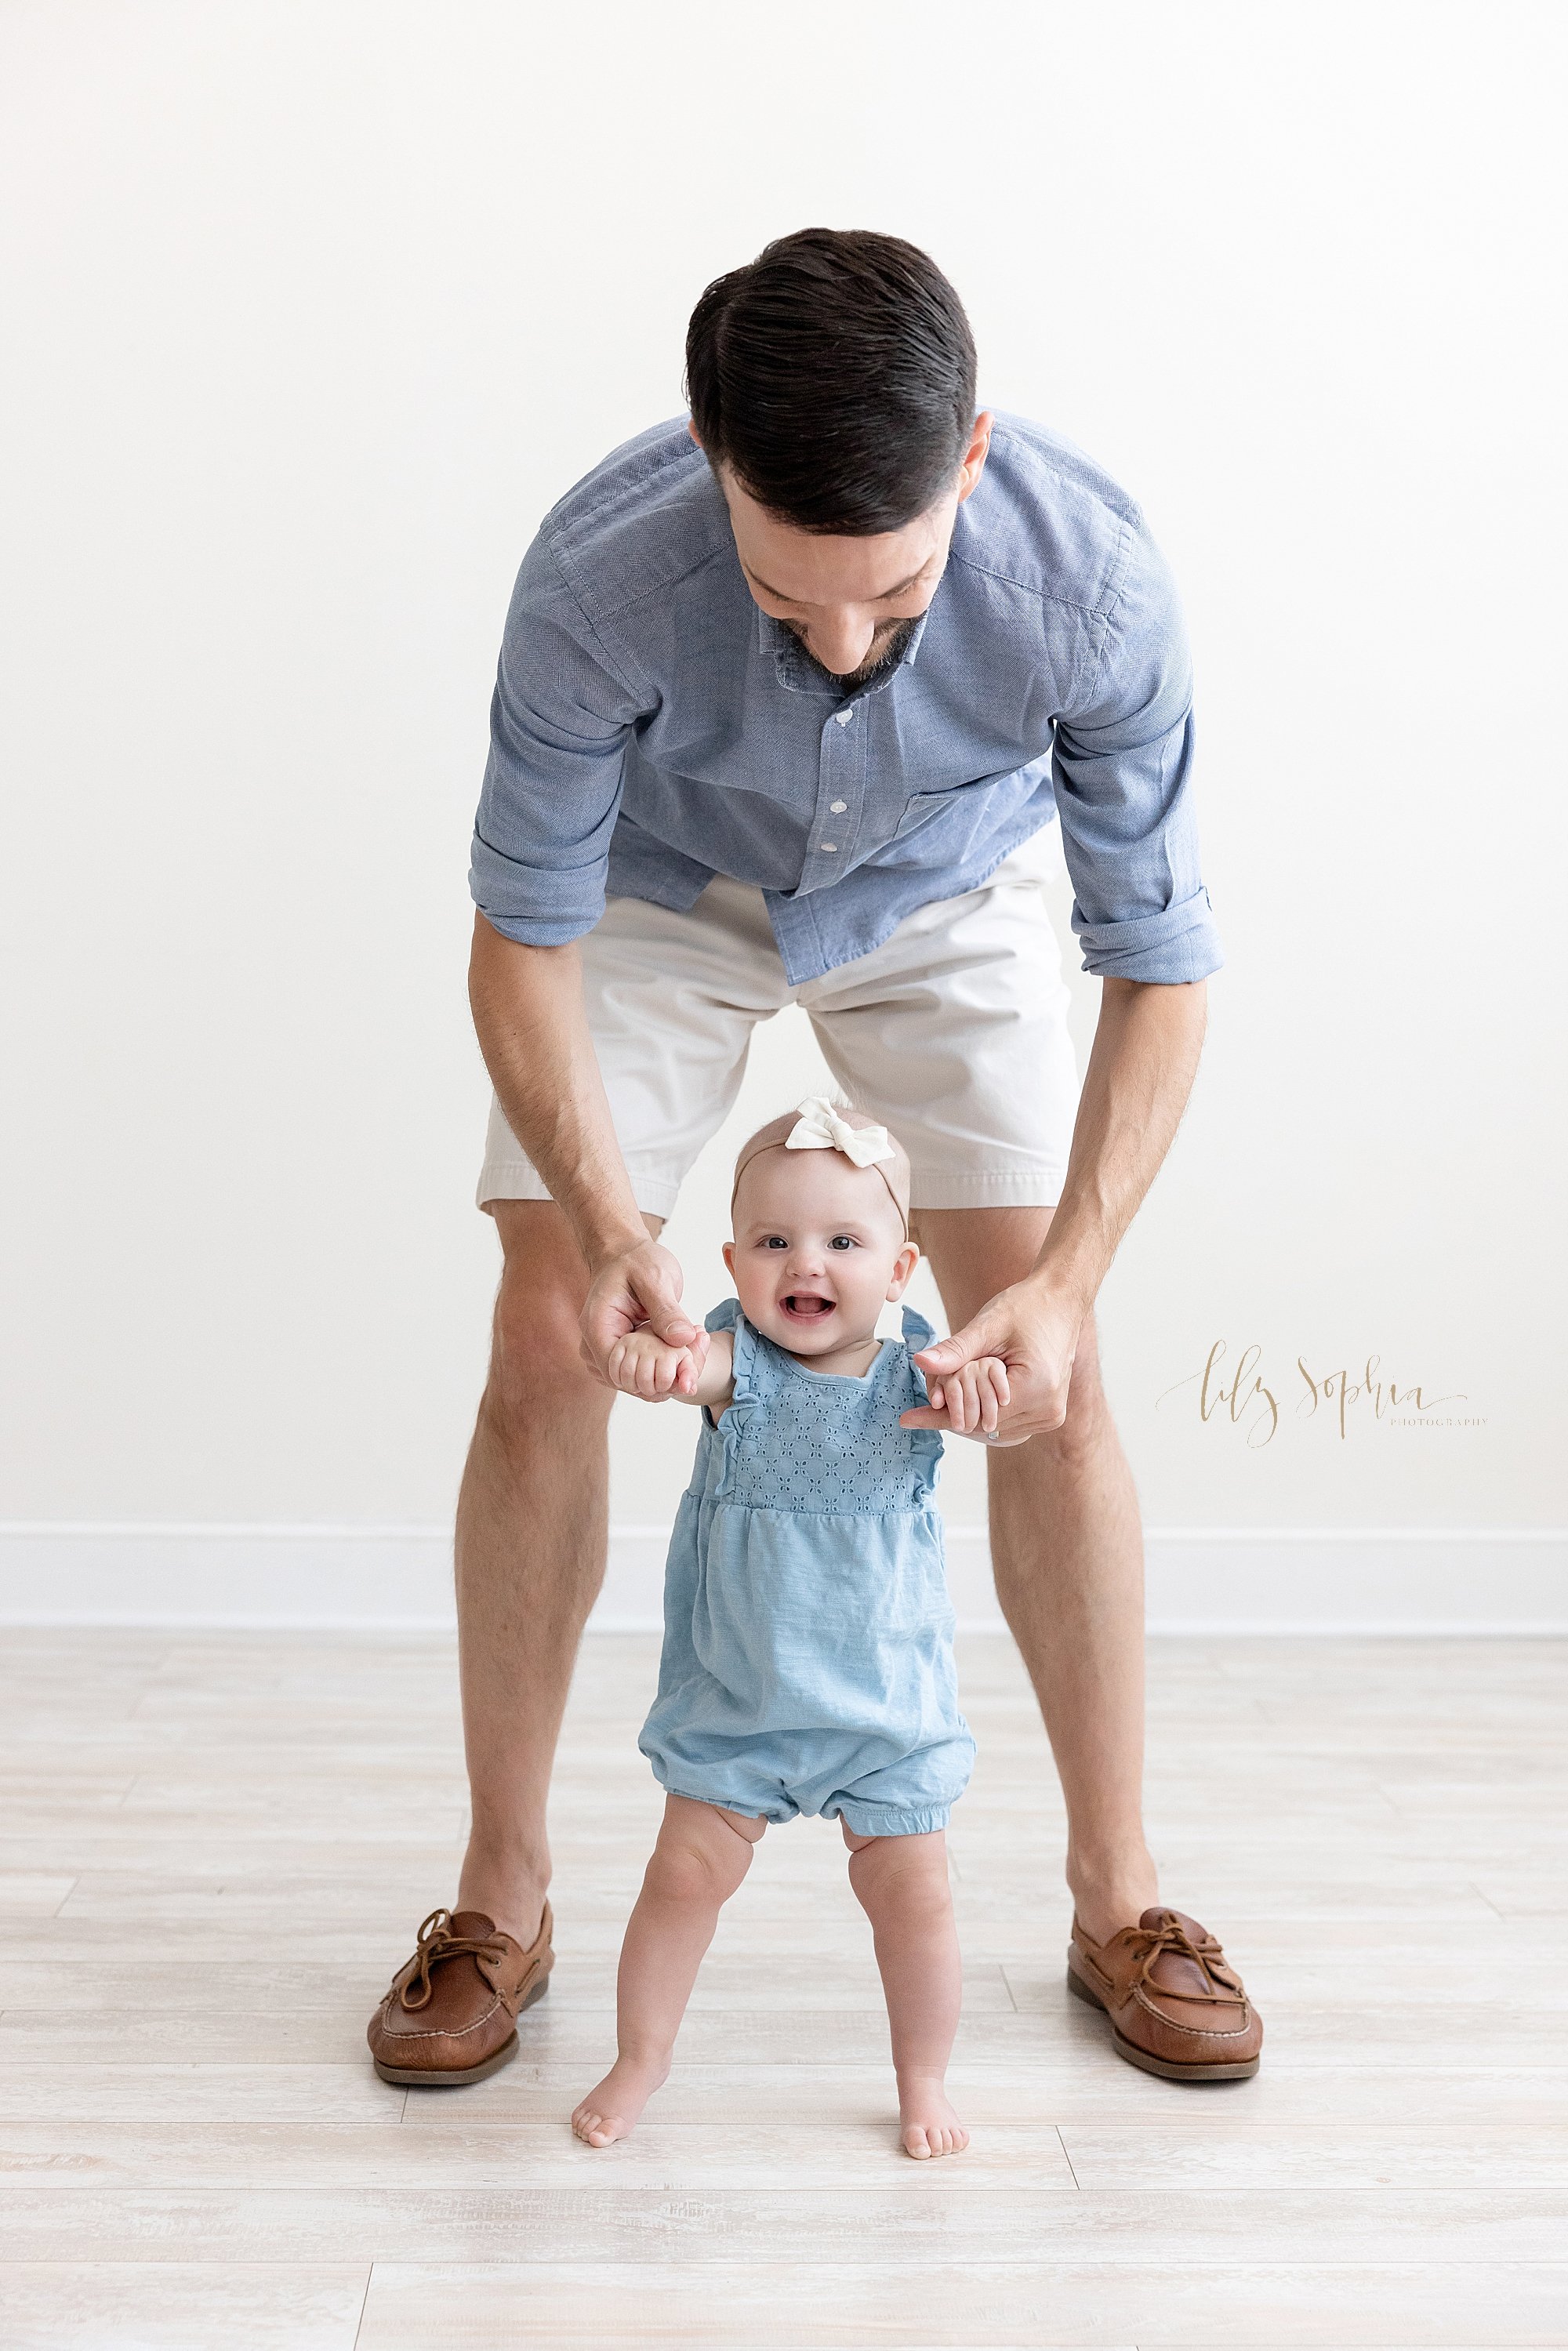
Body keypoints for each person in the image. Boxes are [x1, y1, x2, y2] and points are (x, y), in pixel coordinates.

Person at [365, 226, 1263, 2094]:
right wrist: (613, 1223)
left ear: (971, 457)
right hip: (664, 882)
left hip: (946, 889)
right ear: (711, 464)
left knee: (1042, 1369)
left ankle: (1120, 1897)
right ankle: (501, 1892)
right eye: (789, 605)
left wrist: (1072, 1278)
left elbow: (1161, 965)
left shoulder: (1090, 585)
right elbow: (520, 937)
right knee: (546, 1325)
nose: (845, 644)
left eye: (896, 596)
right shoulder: (597, 581)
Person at [575, 1097, 1000, 2158]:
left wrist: (992, 1388)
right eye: (774, 1241)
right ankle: (640, 2057)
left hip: (883, 1712)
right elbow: (687, 1372)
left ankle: (923, 2077)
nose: (805, 1264)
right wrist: (649, 1365)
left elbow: (999, 1397)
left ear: (901, 1269)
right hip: (742, 1704)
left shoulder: (919, 1376)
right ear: (732, 1260)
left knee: (918, 1902)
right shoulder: (735, 1365)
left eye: (843, 1242)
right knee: (681, 1880)